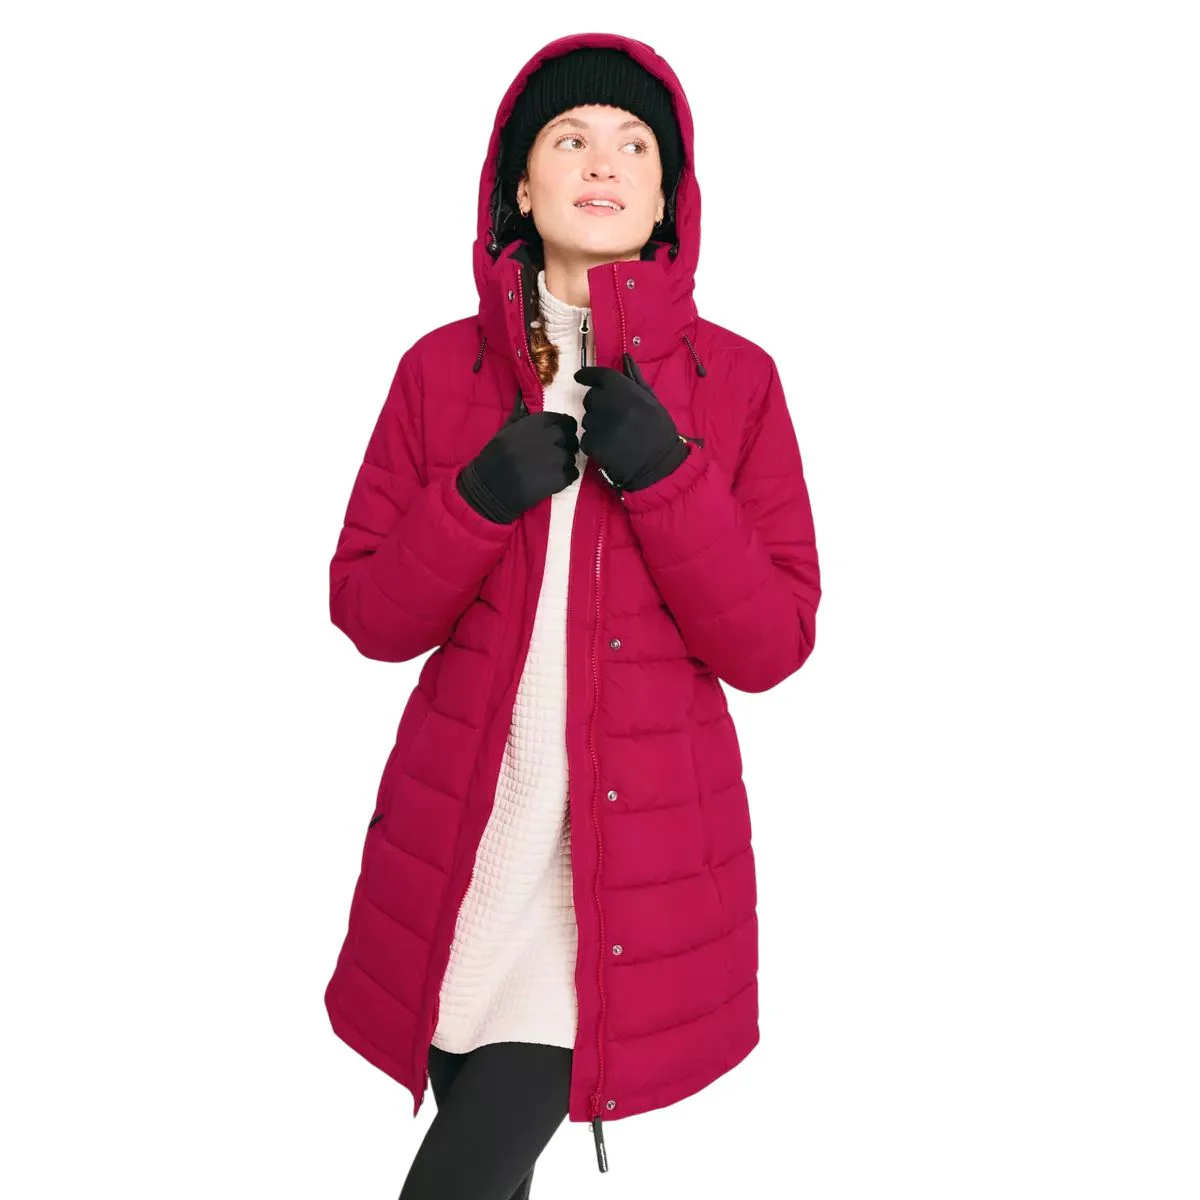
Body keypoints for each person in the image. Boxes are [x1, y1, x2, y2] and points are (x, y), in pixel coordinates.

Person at [323, 32, 821, 1200]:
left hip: (616, 878)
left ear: (668, 196)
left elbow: (771, 643)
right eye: (572, 137)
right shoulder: (438, 373)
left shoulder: (738, 385)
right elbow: (370, 615)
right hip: (461, 852)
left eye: (636, 144)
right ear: (519, 185)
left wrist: (666, 474)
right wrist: (478, 497)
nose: (604, 162)